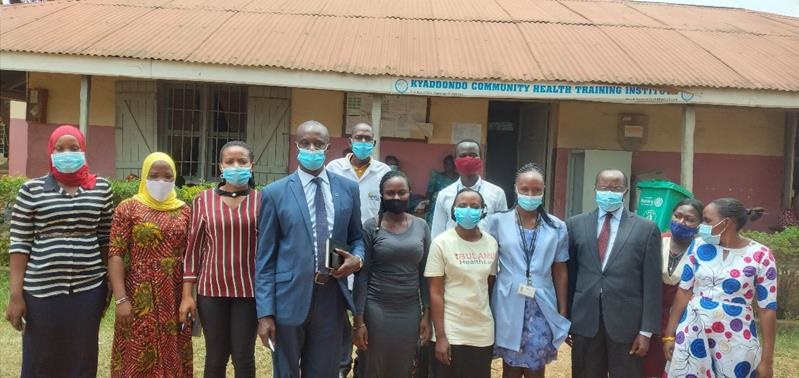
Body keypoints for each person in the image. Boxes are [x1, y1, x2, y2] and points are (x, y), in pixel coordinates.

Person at [256, 120, 365, 377]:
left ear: (328, 148)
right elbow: (265, 259)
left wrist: (357, 260)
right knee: (286, 373)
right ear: (297, 146)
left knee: (324, 372)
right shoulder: (275, 193)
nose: (312, 148)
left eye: (318, 144)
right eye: (305, 143)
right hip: (288, 299)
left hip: (331, 297)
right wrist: (265, 314)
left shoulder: (348, 189)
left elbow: (357, 238)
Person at [5, 125, 114, 377]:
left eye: (74, 148)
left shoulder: (101, 188)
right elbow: (20, 244)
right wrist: (15, 295)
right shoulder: (31, 190)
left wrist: (109, 280)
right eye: (60, 149)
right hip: (42, 290)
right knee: (40, 357)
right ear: (50, 152)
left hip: (88, 289)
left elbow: (106, 239)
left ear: (84, 151)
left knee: (82, 356)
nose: (67, 154)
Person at [664, 198, 776, 378]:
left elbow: (767, 309)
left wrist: (767, 360)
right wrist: (670, 333)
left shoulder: (761, 255)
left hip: (736, 334)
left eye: (707, 221)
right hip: (693, 329)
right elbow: (684, 291)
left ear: (727, 223)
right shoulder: (699, 246)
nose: (702, 225)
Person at [565, 169, 661, 378]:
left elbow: (652, 285)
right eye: (604, 187)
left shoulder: (646, 229)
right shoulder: (575, 224)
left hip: (627, 325)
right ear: (595, 189)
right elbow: (569, 276)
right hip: (585, 321)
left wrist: (646, 332)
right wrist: (566, 319)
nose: (609, 192)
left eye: (615, 188)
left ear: (625, 191)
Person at [180, 141, 261, 377]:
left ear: (251, 166)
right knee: (215, 355)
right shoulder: (202, 201)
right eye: (230, 161)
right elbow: (193, 250)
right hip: (211, 291)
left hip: (249, 292)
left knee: (243, 356)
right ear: (220, 166)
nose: (236, 166)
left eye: (242, 162)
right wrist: (187, 295)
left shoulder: (262, 201)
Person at [108, 152, 193, 377]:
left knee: (174, 346)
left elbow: (190, 256)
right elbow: (116, 254)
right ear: (144, 176)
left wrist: (188, 296)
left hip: (174, 291)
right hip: (139, 292)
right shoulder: (128, 208)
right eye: (154, 175)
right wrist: (121, 299)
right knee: (139, 349)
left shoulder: (184, 210)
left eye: (167, 176)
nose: (161, 181)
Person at [489, 163, 570, 378]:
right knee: (510, 366)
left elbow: (560, 269)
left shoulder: (556, 227)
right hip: (507, 300)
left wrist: (563, 310)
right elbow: (487, 266)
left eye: (537, 190)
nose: (530, 194)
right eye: (525, 189)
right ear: (515, 188)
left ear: (544, 191)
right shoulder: (497, 222)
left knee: (536, 364)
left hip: (541, 305)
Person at [327, 123, 391, 377]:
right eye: (359, 137)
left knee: (365, 308)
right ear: (350, 140)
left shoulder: (383, 171)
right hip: (339, 246)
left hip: (371, 248)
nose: (363, 141)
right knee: (336, 310)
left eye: (368, 138)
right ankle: (341, 365)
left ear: (374, 143)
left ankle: (362, 364)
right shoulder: (334, 169)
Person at [353, 170, 431, 377]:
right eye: (390, 193)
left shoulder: (422, 227)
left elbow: (425, 275)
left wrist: (427, 315)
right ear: (382, 196)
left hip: (410, 310)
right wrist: (358, 322)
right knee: (373, 366)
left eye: (401, 192)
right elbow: (362, 276)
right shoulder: (371, 227)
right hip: (376, 308)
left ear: (410, 193)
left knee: (404, 365)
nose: (396, 197)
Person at [425, 188, 499, 378]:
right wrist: (440, 336)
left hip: (482, 332)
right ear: (453, 210)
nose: (468, 210)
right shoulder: (441, 242)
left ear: (483, 211)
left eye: (475, 206)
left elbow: (487, 286)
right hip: (451, 330)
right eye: (462, 205)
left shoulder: (491, 243)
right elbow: (435, 292)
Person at [643, 198, 704, 377]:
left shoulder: (703, 251)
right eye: (677, 216)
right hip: (649, 320)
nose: (681, 222)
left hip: (683, 323)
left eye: (689, 219)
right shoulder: (654, 241)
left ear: (700, 224)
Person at [430, 139, 507, 238]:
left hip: (485, 252)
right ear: (455, 161)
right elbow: (437, 233)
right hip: (452, 251)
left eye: (473, 155)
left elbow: (503, 232)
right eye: (462, 156)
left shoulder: (497, 193)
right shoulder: (444, 194)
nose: (468, 159)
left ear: (481, 159)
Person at [425, 155, 458, 225]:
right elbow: (429, 192)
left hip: (453, 206)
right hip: (437, 205)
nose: (447, 165)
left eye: (449, 164)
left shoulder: (459, 179)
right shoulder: (437, 177)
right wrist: (427, 203)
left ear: (454, 165)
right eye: (445, 163)